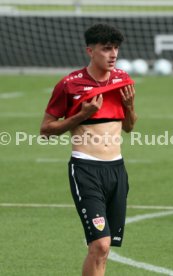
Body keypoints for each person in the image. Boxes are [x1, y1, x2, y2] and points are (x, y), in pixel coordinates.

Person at [40, 23, 137, 276]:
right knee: (99, 243)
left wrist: (130, 106)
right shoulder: (69, 85)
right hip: (86, 169)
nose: (113, 54)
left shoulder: (122, 80)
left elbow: (128, 127)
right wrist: (82, 116)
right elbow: (46, 130)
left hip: (116, 169)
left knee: (104, 250)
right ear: (90, 51)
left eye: (115, 48)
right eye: (106, 49)